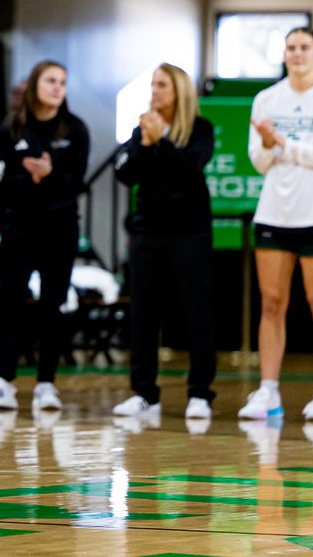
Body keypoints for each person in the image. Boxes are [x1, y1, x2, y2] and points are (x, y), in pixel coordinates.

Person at [241, 27, 313, 422]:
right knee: (271, 303)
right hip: (274, 213)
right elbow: (258, 160)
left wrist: (286, 145)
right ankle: (268, 392)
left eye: (305, 47)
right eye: (290, 48)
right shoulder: (266, 99)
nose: (297, 54)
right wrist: (271, 146)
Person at [0, 60, 89, 412]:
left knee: (53, 305)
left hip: (60, 229)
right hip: (19, 228)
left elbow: (76, 181)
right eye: (50, 80)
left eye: (62, 82)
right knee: (10, 303)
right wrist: (31, 179)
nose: (57, 87)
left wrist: (49, 174)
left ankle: (46, 384)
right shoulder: (12, 128)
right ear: (35, 85)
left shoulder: (75, 129)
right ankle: (3, 380)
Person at [112, 63, 216, 420]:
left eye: (162, 85)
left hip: (189, 232)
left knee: (196, 312)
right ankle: (144, 393)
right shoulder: (142, 128)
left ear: (179, 91)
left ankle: (200, 392)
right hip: (148, 233)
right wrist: (145, 143)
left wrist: (163, 142)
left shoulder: (200, 130)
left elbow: (190, 168)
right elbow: (125, 172)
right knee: (143, 313)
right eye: (153, 85)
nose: (155, 91)